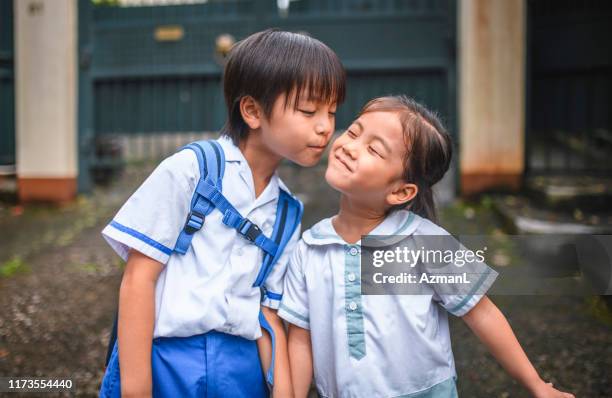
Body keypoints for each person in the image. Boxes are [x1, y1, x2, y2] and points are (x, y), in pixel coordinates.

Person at [99, 29, 345, 398]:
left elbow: (269, 316)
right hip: (167, 361)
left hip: (241, 372)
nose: (325, 127)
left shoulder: (286, 211)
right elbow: (138, 280)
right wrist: (137, 389)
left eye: (332, 111)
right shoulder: (191, 170)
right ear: (252, 111)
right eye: (309, 110)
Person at [279, 95, 575, 398]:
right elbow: (301, 338)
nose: (350, 147)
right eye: (354, 132)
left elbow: (482, 313)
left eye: (373, 149)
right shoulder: (310, 247)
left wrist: (537, 386)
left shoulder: (426, 242)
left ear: (401, 191)